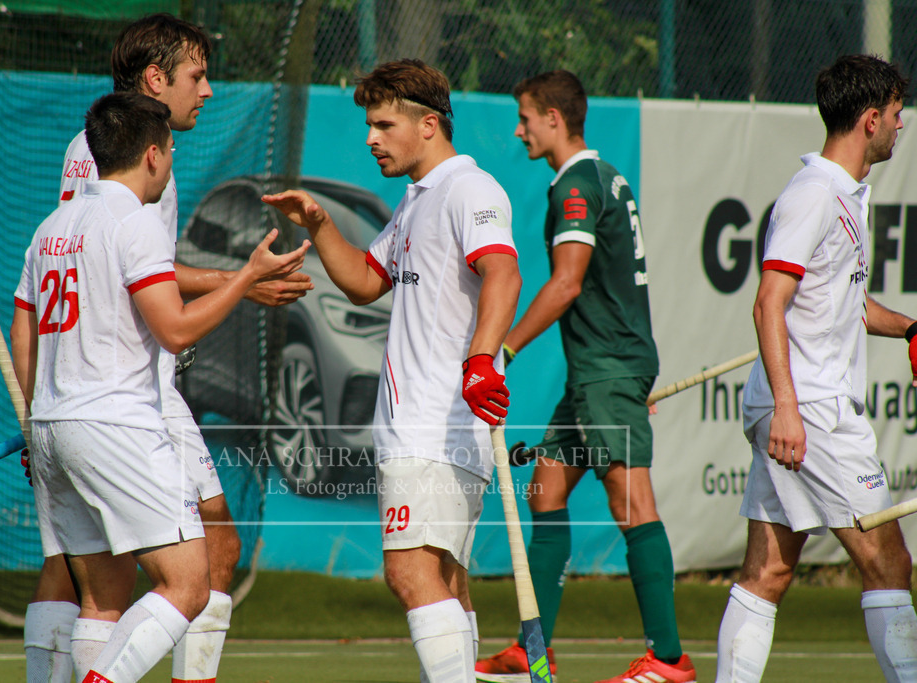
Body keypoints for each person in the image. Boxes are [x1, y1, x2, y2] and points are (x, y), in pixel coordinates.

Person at [24, 14, 313, 683]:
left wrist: (238, 282)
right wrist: (240, 281)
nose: (207, 91)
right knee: (160, 571)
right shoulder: (118, 158)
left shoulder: (124, 151)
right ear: (155, 79)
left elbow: (91, 276)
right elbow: (126, 263)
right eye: (196, 76)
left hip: (97, 395)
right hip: (125, 394)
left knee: (141, 566)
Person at [262, 59, 521, 683]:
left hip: (434, 425)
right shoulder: (416, 200)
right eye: (368, 125)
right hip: (433, 429)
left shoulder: (469, 189)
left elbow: (504, 273)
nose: (370, 138)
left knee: (409, 574)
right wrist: (321, 223)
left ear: (428, 124)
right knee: (447, 584)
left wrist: (481, 360)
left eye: (383, 125)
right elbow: (363, 281)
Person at [474, 70, 695, 683]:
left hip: (606, 368)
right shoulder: (604, 176)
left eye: (525, 118)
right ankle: (532, 650)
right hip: (600, 372)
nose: (518, 131)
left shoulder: (577, 184)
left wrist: (502, 351)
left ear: (553, 118)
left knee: (632, 502)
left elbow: (567, 283)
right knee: (545, 490)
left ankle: (668, 659)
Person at [714, 54, 917, 683]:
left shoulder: (845, 195)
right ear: (870, 119)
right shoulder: (815, 194)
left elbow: (850, 306)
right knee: (889, 565)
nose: (902, 124)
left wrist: (911, 328)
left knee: (769, 572)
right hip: (811, 410)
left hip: (800, 406)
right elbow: (768, 301)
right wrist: (787, 408)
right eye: (896, 113)